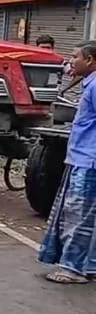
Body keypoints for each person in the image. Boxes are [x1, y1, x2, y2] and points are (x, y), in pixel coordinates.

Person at [38, 41, 96, 283]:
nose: (71, 61)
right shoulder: (89, 82)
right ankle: (87, 265)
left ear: (90, 60)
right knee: (83, 215)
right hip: (82, 157)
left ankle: (73, 268)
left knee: (78, 216)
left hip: (89, 160)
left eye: (75, 57)